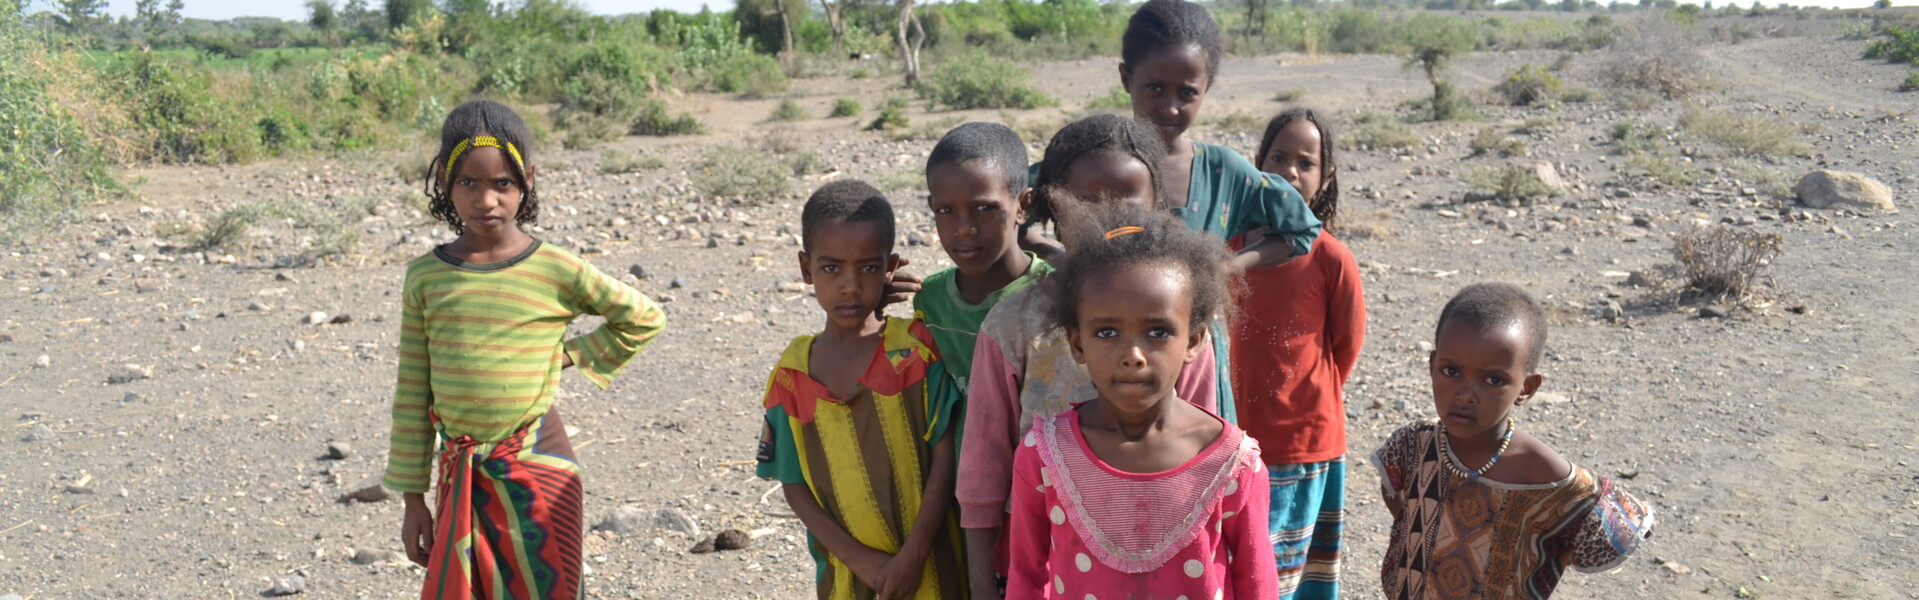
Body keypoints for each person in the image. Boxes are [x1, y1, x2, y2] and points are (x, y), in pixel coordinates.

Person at [385, 99, 667, 600]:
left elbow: (643, 317)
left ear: (527, 180)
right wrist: (413, 499)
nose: (485, 199)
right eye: (467, 183)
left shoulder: (556, 268)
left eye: (502, 184)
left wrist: (567, 355)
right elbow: (412, 394)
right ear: (445, 183)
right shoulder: (426, 277)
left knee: (548, 588)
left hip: (537, 466)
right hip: (459, 472)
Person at [959, 114, 1219, 597]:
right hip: (1041, 560)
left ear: (1157, 206)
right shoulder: (1015, 324)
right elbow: (983, 473)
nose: (1106, 218)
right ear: (1053, 207)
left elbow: (1210, 451)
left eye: (1126, 201)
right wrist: (980, 584)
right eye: (1087, 203)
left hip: (1163, 555)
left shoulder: (1181, 327)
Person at [1004, 204, 1275, 600]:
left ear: (1195, 341)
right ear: (1077, 343)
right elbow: (1026, 579)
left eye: (1158, 331)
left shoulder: (1234, 464)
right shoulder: (1044, 456)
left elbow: (1258, 585)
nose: (1134, 354)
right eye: (1108, 332)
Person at [1102, 0, 1327, 424]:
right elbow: (1021, 205)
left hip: (1194, 362)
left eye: (1187, 92)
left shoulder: (1223, 170)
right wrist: (1061, 262)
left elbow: (1300, 228)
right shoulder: (1098, 163)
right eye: (1154, 88)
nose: (1170, 106)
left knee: (1196, 468)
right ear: (1126, 78)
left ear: (1206, 88)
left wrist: (1226, 267)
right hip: (1110, 360)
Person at [1372, 283, 1657, 599]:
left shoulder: (1541, 469)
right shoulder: (1414, 444)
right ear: (1432, 366)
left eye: (1494, 380)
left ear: (1527, 388)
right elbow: (1397, 501)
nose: (1466, 394)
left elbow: (1617, 529)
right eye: (1451, 371)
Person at [756, 180, 968, 600]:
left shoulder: (915, 352)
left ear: (890, 268)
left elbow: (947, 458)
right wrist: (860, 560)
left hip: (936, 571)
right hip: (847, 580)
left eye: (868, 268)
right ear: (805, 269)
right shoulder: (792, 375)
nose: (850, 286)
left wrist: (913, 555)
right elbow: (793, 485)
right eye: (831, 268)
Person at [912, 122, 1057, 595]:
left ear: (1023, 205)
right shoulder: (930, 300)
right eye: (945, 212)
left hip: (1040, 503)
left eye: (984, 209)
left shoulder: (1055, 293)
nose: (963, 229)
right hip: (956, 500)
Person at [1233, 107, 1364, 599]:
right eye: (1278, 157)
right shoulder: (1229, 252)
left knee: (1286, 579)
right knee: (1239, 567)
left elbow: (1344, 350)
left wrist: (1302, 398)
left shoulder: (1331, 259)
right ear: (1256, 165)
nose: (1290, 170)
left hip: (1301, 442)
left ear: (1324, 177)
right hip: (1231, 435)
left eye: (1305, 163)